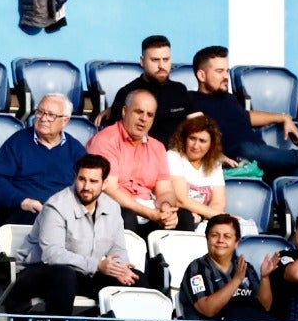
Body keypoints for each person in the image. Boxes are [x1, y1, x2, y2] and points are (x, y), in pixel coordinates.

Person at [0, 155, 139, 321]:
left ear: (104, 184)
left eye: (93, 181)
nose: (86, 187)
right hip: (37, 272)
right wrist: (97, 265)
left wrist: (121, 269)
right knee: (64, 275)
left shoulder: (112, 208)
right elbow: (52, 255)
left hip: (81, 272)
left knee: (137, 279)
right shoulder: (56, 206)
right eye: (82, 179)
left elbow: (118, 249)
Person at [187, 47, 298, 179]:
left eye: (226, 71)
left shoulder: (229, 98)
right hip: (235, 161)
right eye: (219, 71)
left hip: (262, 158)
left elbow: (245, 117)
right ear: (201, 75)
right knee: (245, 149)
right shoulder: (190, 100)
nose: (225, 77)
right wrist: (214, 156)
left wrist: (282, 117)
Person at [87, 89, 183, 235]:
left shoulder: (158, 147)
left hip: (149, 210)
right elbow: (110, 190)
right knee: (126, 216)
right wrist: (149, 213)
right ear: (125, 112)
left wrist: (166, 207)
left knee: (184, 218)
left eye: (149, 115)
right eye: (139, 112)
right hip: (115, 207)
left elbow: (165, 190)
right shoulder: (105, 140)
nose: (144, 119)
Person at [0, 93, 85, 225]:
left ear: (65, 121)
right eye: (40, 112)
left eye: (51, 115)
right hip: (24, 211)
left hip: (64, 213)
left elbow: (87, 183)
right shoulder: (17, 142)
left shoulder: (75, 149)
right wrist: (22, 201)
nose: (43, 118)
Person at [107, 35, 192, 146]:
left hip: (178, 156)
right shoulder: (127, 93)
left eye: (166, 60)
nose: (161, 65)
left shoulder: (179, 90)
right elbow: (117, 136)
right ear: (142, 61)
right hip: (143, 156)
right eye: (155, 60)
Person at [166, 115, 229, 225]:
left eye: (202, 141)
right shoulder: (173, 157)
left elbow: (218, 202)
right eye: (192, 138)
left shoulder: (215, 163)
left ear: (211, 144)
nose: (196, 146)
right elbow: (180, 200)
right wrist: (214, 215)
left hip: (204, 220)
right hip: (180, 219)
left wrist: (205, 218)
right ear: (184, 138)